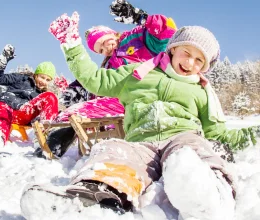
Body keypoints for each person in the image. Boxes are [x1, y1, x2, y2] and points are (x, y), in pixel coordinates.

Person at [21, 11, 260, 219]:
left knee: (193, 152)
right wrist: (71, 43)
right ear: (174, 49)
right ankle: (89, 196)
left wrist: (254, 133)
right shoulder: (138, 72)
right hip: (140, 142)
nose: (190, 62)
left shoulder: (202, 89)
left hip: (183, 136)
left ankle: (209, 193)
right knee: (113, 150)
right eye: (186, 52)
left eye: (199, 60)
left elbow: (217, 132)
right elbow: (95, 80)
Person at [37, 0, 177, 158]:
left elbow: (168, 33)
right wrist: (76, 88)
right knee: (75, 113)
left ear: (111, 33)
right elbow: (100, 82)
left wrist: (140, 17)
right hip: (121, 103)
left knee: (79, 112)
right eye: (100, 50)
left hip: (146, 96)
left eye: (103, 43)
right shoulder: (109, 64)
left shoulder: (135, 38)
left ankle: (53, 146)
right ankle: (51, 147)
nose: (105, 50)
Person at [0, 44, 59, 156]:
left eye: (48, 80)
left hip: (24, 112)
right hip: (6, 105)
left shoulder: (41, 95)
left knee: (51, 96)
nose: (44, 81)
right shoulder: (21, 78)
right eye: (42, 77)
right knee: (1, 110)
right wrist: (3, 60)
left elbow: (48, 110)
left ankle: (43, 137)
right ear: (35, 75)